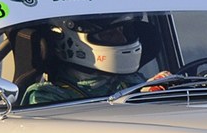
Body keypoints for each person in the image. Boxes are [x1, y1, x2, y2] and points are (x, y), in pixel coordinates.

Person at [20, 16, 160, 105]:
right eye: (109, 34)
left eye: (122, 31)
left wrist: (158, 90)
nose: (122, 39)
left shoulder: (130, 81)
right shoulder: (47, 96)